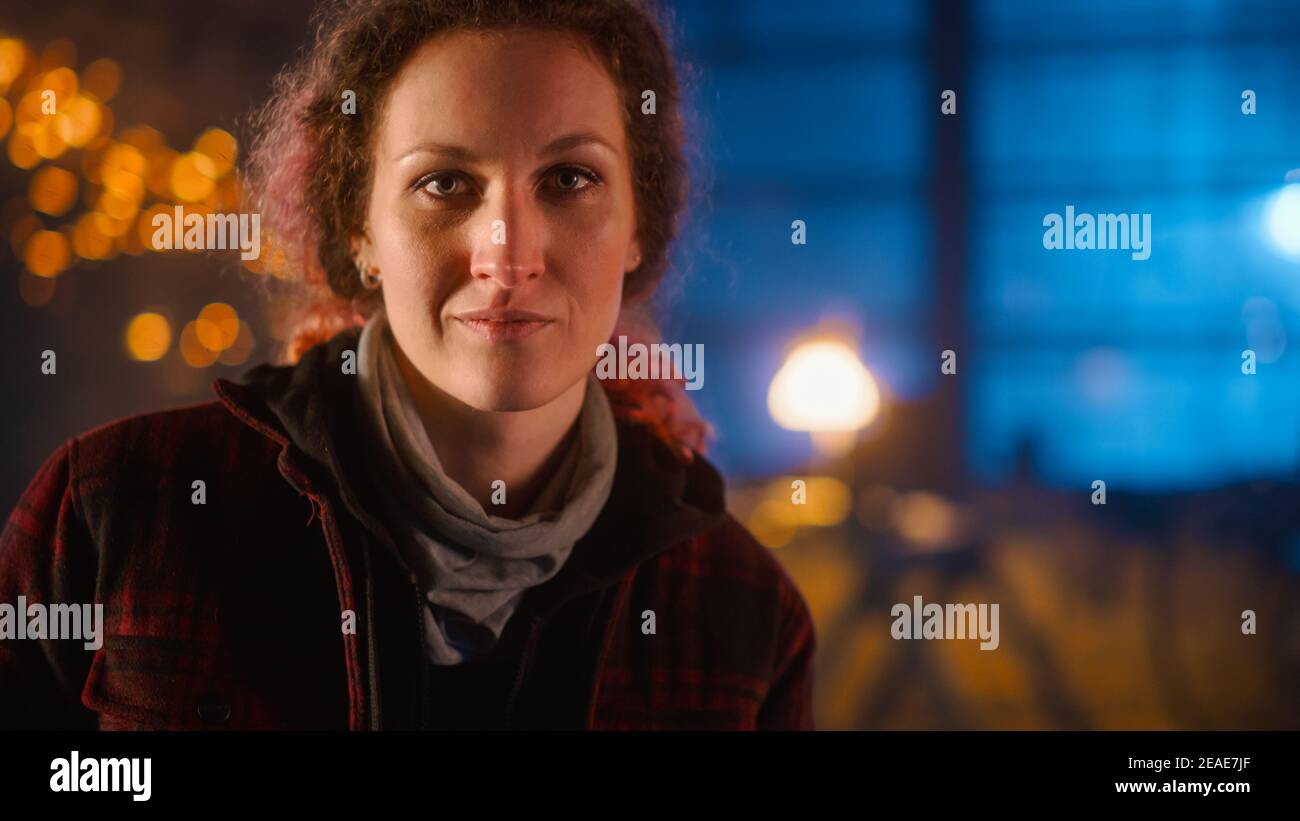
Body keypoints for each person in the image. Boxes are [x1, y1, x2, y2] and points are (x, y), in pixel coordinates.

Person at [0, 0, 816, 730]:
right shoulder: (114, 511)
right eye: (445, 183)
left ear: (640, 224)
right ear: (360, 231)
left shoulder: (741, 613)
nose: (508, 256)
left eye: (570, 179)